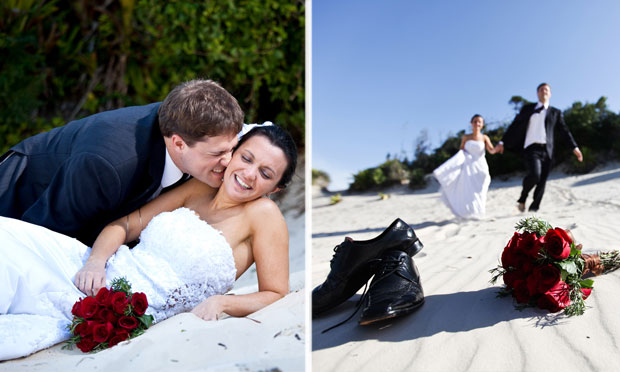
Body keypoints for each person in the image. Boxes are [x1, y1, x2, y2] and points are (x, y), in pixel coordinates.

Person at [0, 125, 297, 361]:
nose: (248, 174)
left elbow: (275, 291)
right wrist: (95, 261)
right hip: (96, 270)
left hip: (129, 309)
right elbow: (125, 225)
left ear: (277, 187)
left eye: (265, 173)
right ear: (233, 153)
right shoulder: (198, 187)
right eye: (247, 158)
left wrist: (222, 302)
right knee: (9, 238)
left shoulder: (264, 215)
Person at [0, 79, 244, 245]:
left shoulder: (201, 130)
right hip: (20, 195)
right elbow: (45, 235)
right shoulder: (107, 165)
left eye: (233, 149)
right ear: (178, 144)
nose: (229, 160)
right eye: (218, 154)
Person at [496, 83, 583, 212]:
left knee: (542, 181)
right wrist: (502, 142)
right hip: (531, 148)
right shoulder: (527, 109)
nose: (544, 92)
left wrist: (574, 147)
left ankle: (534, 209)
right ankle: (523, 197)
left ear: (550, 93)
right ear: (537, 93)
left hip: (547, 149)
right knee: (535, 175)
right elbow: (514, 125)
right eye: (541, 90)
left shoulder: (556, 112)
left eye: (546, 90)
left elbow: (565, 131)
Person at [433, 114, 497, 220]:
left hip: (480, 166)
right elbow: (461, 152)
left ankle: (479, 211)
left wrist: (498, 148)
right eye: (475, 121)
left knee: (481, 187)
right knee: (468, 189)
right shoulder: (466, 137)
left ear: (482, 124)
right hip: (468, 167)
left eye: (479, 122)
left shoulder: (485, 137)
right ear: (471, 123)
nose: (477, 123)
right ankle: (469, 213)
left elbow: (491, 150)